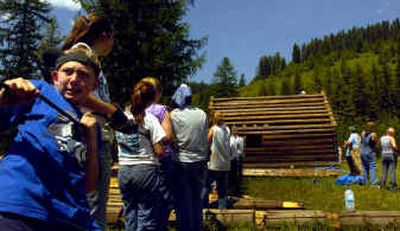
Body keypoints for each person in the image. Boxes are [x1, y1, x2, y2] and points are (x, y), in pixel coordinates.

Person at [0, 47, 102, 230]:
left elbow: (89, 184)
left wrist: (93, 136)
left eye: (84, 75)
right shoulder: (40, 91)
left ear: (94, 86)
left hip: (71, 215)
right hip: (21, 203)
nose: (74, 79)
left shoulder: (91, 124)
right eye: (68, 72)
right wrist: (4, 95)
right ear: (55, 77)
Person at [63, 12, 115, 229]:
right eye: (113, 37)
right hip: (87, 137)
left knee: (93, 206)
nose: (113, 43)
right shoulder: (82, 54)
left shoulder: (89, 56)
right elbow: (78, 93)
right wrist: (113, 112)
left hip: (92, 137)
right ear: (104, 36)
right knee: (91, 208)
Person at [115, 80, 166, 231]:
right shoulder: (150, 119)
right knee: (146, 214)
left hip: (124, 170)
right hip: (145, 170)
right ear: (150, 101)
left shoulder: (120, 118)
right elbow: (159, 151)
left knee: (130, 212)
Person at [170, 84, 209, 231]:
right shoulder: (202, 114)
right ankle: (197, 227)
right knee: (196, 199)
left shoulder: (174, 114)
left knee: (182, 200)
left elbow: (170, 136)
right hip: (200, 160)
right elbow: (204, 136)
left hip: (181, 160)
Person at [142, 77, 174, 229]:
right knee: (163, 197)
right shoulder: (161, 110)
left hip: (141, 159)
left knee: (144, 200)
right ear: (158, 93)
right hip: (161, 158)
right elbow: (167, 136)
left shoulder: (133, 109)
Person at [206, 112, 231, 209]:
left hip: (214, 163)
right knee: (223, 188)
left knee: (206, 185)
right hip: (225, 163)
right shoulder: (227, 129)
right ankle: (222, 207)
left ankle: (204, 206)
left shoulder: (213, 129)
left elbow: (207, 142)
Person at [361, 121, 379, 186]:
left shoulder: (362, 133)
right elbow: (376, 143)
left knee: (364, 167)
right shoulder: (373, 134)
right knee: (372, 167)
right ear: (373, 127)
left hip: (362, 152)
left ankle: (365, 182)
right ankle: (373, 183)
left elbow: (362, 142)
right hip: (370, 152)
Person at [229, 125, 245, 196]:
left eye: (235, 130)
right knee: (232, 174)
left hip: (239, 157)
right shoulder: (230, 139)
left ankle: (238, 189)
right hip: (232, 158)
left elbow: (241, 149)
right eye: (233, 130)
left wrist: (237, 154)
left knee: (239, 173)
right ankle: (232, 189)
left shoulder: (240, 139)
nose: (234, 131)